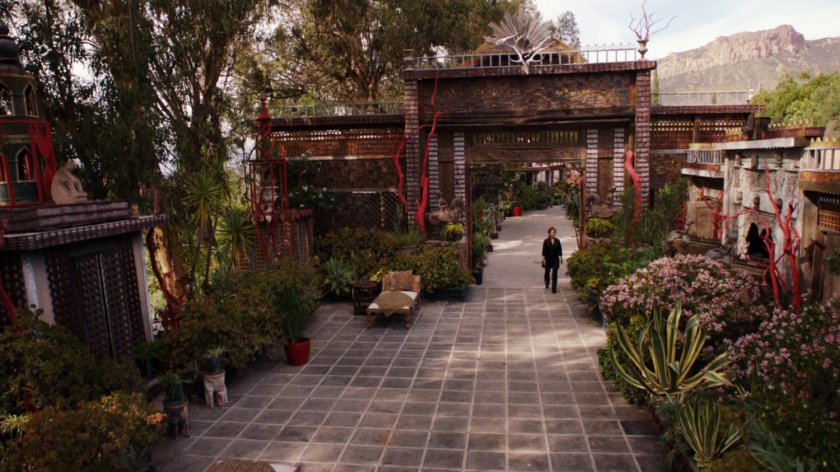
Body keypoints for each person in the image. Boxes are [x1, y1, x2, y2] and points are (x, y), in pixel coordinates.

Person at [541, 227, 563, 293]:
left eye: (554, 232)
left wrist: (561, 258)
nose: (553, 233)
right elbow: (543, 251)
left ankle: (554, 288)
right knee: (547, 272)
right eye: (552, 232)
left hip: (555, 259)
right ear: (549, 233)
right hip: (548, 259)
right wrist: (543, 259)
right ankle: (547, 282)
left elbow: (560, 250)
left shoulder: (557, 241)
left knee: (554, 272)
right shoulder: (546, 241)